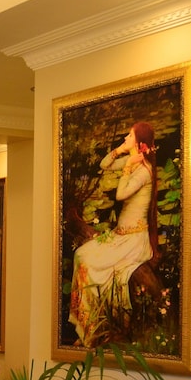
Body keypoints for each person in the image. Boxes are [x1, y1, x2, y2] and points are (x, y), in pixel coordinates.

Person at [68, 121, 159, 347]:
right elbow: (104, 164)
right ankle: (87, 326)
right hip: (120, 236)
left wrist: (127, 166)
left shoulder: (144, 171)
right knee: (81, 254)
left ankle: (96, 330)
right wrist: (119, 151)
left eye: (129, 136)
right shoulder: (132, 161)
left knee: (91, 264)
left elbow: (120, 195)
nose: (125, 139)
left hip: (133, 241)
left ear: (139, 142)